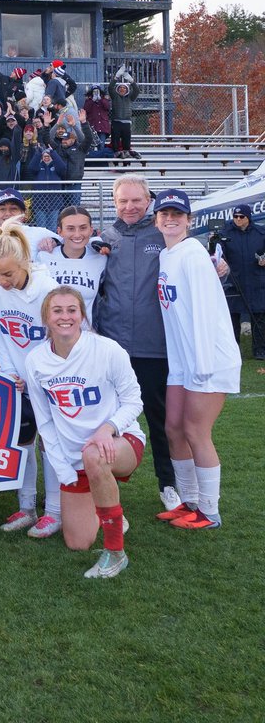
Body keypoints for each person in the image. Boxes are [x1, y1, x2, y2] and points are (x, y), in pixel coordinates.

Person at [24, 286, 144, 578]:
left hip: (120, 441)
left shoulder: (107, 350)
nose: (65, 317)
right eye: (57, 311)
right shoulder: (36, 361)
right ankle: (110, 509)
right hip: (74, 458)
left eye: (72, 310)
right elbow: (45, 423)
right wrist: (64, 470)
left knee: (94, 455)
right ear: (46, 317)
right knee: (77, 543)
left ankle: (115, 553)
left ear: (82, 315)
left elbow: (134, 401)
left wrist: (107, 428)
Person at [153, 190, 241, 529]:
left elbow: (206, 312)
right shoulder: (167, 255)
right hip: (184, 361)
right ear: (156, 220)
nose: (170, 219)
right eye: (164, 213)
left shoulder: (192, 254)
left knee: (195, 430)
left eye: (177, 214)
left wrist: (202, 366)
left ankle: (210, 511)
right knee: (173, 429)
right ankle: (189, 501)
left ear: (189, 220)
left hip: (209, 358)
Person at [93, 175, 179, 509]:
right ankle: (100, 485)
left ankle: (168, 484)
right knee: (105, 418)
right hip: (112, 346)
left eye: (136, 200)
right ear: (114, 203)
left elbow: (195, 264)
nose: (129, 207)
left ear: (148, 200)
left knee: (160, 419)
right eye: (122, 201)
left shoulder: (163, 235)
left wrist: (221, 267)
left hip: (152, 345)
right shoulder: (105, 238)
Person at [0, 220, 63, 538]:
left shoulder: (47, 288)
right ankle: (27, 507)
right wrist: (9, 371)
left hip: (50, 377)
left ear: (24, 263)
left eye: (8, 274)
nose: (2, 281)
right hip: (17, 379)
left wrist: (35, 376)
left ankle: (55, 512)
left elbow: (59, 339)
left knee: (51, 443)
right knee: (22, 440)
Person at [37, 206, 107, 319]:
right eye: (70, 229)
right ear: (59, 231)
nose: (77, 234)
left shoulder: (100, 258)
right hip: (51, 328)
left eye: (83, 228)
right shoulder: (44, 257)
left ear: (91, 230)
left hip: (85, 328)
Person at [219, 204, 265, 359]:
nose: (238, 219)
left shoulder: (260, 232)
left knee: (259, 315)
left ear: (248, 217)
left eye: (241, 217)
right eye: (235, 216)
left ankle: (260, 349)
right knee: (233, 317)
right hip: (234, 280)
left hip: (256, 279)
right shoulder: (224, 233)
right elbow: (217, 255)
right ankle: (233, 349)